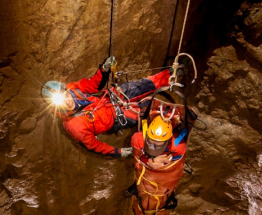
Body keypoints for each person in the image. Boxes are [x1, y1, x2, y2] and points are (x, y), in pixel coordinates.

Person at [42, 57, 172, 157]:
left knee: (143, 85)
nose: (67, 101)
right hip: (115, 117)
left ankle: (170, 75)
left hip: (111, 97)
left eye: (65, 95)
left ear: (66, 90)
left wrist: (103, 69)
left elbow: (92, 85)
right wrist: (118, 152)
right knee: (146, 112)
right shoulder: (74, 126)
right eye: (61, 102)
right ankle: (172, 119)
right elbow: (95, 146)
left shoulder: (72, 88)